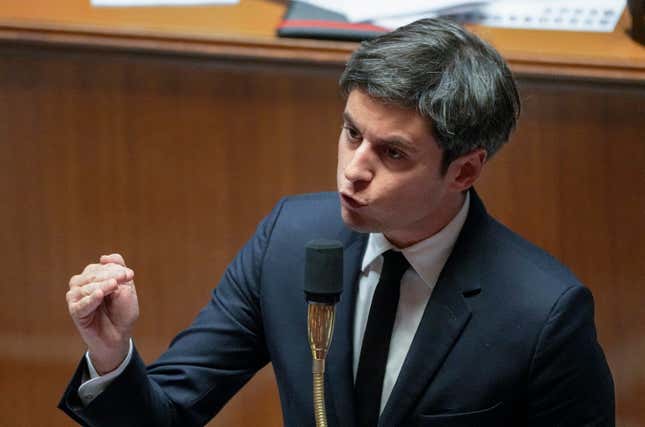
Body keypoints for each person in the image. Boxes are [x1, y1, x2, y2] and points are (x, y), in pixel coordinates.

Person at [59, 18, 614, 426]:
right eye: (352, 133)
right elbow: (169, 415)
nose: (354, 171)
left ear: (464, 170)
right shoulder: (289, 239)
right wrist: (112, 353)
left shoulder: (542, 314)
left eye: (392, 154)